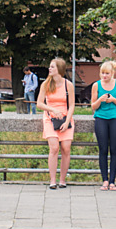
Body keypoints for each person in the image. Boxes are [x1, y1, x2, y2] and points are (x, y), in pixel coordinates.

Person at [37, 57, 74, 189]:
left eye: (52, 67)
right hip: (50, 118)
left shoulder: (68, 85)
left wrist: (67, 121)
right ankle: (52, 180)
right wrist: (53, 109)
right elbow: (39, 104)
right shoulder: (46, 84)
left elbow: (72, 105)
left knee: (66, 148)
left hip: (65, 119)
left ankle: (62, 180)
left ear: (59, 69)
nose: (49, 69)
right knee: (54, 148)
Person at [91, 60, 116, 191]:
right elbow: (93, 106)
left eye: (107, 73)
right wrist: (100, 100)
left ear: (112, 73)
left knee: (114, 149)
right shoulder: (96, 85)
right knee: (103, 149)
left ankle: (112, 181)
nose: (104, 76)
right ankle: (104, 180)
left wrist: (113, 100)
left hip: (115, 118)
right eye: (102, 73)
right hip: (101, 118)